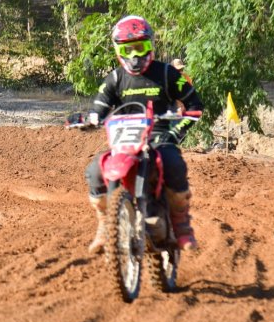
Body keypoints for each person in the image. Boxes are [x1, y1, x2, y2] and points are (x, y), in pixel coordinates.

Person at [83, 15, 204, 252]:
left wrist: (176, 132)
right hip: (125, 138)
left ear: (150, 46)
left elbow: (195, 106)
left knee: (173, 163)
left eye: (141, 48)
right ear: (119, 50)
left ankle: (181, 226)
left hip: (159, 134)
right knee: (96, 169)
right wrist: (91, 118)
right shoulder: (116, 78)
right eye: (129, 49)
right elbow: (99, 105)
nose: (135, 55)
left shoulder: (167, 73)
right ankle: (105, 226)